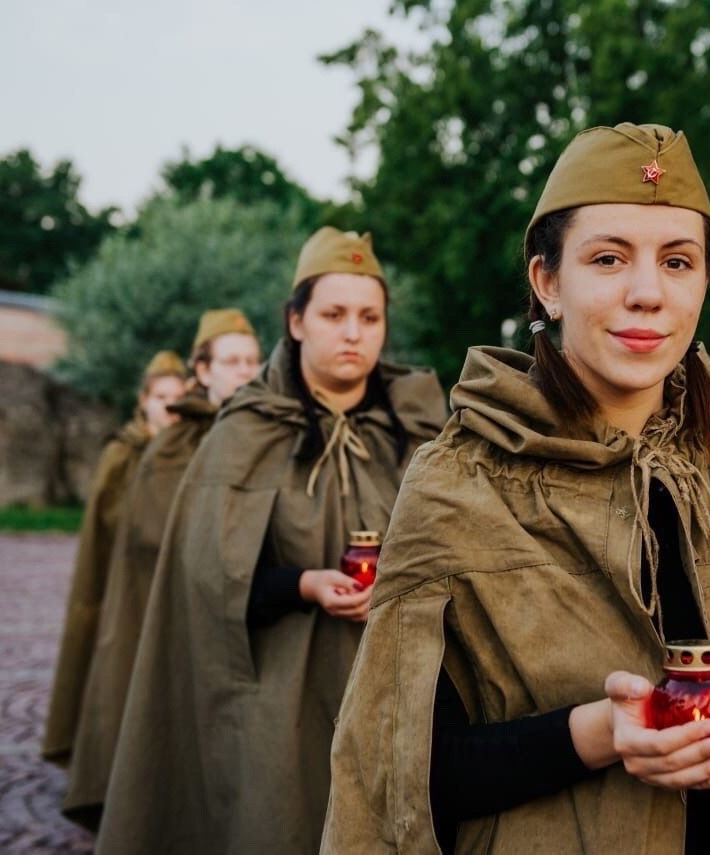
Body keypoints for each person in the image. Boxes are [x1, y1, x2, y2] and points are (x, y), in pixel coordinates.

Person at [323, 123, 710, 854]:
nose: (647, 293)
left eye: (678, 261)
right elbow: (399, 780)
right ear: (547, 281)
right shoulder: (457, 482)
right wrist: (597, 734)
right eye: (609, 258)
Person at [96, 228, 447, 854]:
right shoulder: (245, 430)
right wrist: (303, 584)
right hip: (280, 696)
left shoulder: (422, 424)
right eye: (333, 315)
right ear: (296, 321)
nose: (353, 332)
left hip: (404, 691)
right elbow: (203, 579)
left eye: (369, 317)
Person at [61, 310, 261, 828]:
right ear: (202, 370)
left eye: (252, 360)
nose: (245, 370)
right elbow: (155, 541)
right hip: (175, 610)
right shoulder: (173, 445)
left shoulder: (266, 430)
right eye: (232, 360)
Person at [42, 350, 185, 767]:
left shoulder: (193, 455)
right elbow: (109, 531)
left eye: (178, 397)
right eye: (161, 397)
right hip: (125, 589)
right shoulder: (122, 456)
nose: (170, 407)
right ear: (143, 401)